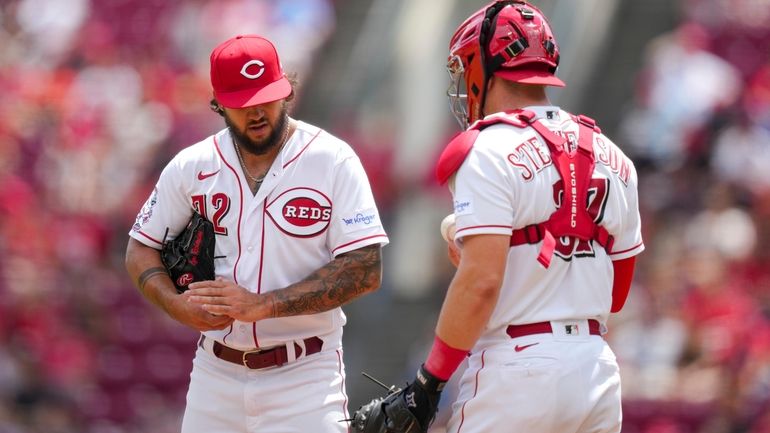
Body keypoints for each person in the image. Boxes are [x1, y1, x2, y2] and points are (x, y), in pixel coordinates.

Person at [355, 2, 643, 433]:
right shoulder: (613, 155)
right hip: (596, 372)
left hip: (518, 373)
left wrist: (427, 383)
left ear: (482, 65)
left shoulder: (487, 149)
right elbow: (617, 293)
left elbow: (482, 282)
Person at [124, 34, 388, 433]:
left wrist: (264, 305)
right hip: (215, 373)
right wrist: (176, 305)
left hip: (305, 375)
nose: (258, 111)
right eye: (243, 103)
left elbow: (365, 269)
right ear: (219, 104)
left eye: (267, 96)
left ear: (287, 90)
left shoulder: (332, 159)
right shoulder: (192, 166)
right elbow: (141, 249)